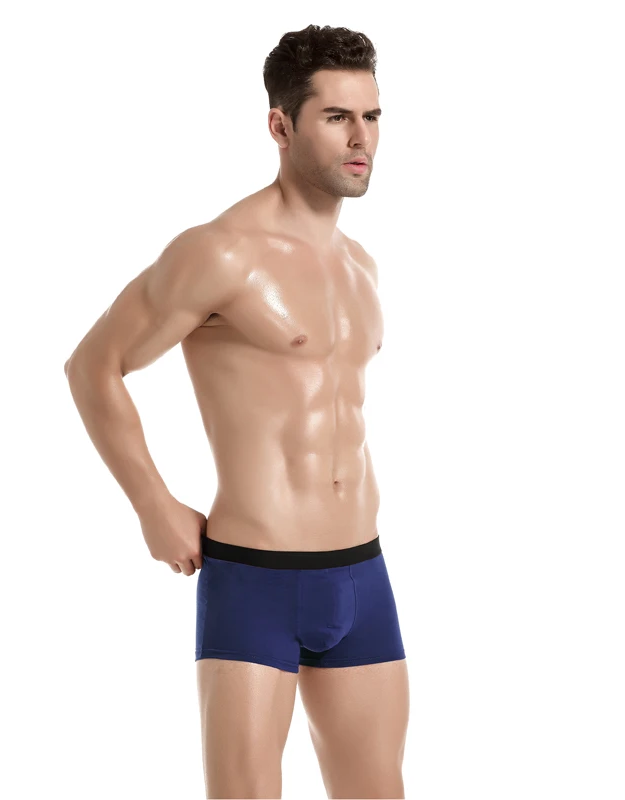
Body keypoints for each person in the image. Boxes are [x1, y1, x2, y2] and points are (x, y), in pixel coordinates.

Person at [64, 23, 409, 799]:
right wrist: (152, 503)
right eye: (337, 117)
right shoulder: (221, 252)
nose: (362, 138)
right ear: (280, 126)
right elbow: (93, 366)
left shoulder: (360, 266)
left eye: (372, 117)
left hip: (362, 572)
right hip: (255, 577)